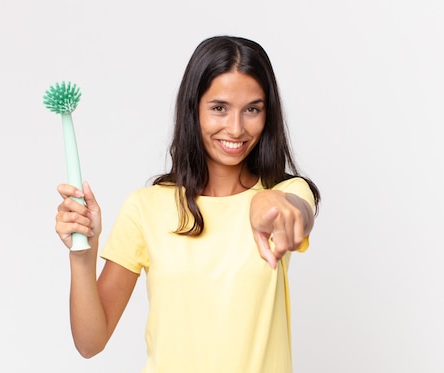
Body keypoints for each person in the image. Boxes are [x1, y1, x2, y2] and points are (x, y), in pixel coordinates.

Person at [55, 35, 320, 373]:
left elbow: (297, 209)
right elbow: (90, 343)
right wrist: (83, 254)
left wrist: (269, 201)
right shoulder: (146, 208)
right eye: (219, 108)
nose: (236, 128)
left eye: (252, 109)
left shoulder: (286, 192)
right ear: (193, 108)